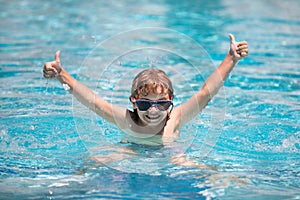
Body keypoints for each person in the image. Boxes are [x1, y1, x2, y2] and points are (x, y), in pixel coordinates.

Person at [43, 34, 248, 164]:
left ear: (171, 101)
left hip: (170, 153)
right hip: (132, 151)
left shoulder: (175, 119)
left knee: (192, 165)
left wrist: (231, 59)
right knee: (96, 160)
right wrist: (62, 74)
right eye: (144, 103)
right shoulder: (126, 119)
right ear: (133, 101)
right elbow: (93, 101)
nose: (153, 111)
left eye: (162, 104)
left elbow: (205, 93)